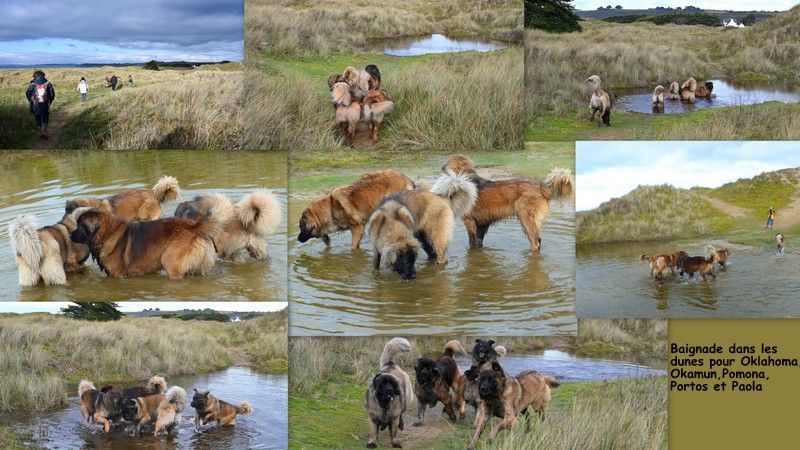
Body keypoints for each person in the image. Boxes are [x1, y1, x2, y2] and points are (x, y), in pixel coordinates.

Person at [25, 70, 56, 139]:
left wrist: (32, 101)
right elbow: (52, 94)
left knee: (37, 118)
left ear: (35, 76)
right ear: (43, 75)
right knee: (45, 118)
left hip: (36, 105)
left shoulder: (32, 84)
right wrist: (49, 102)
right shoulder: (48, 83)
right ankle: (43, 131)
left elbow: (28, 94)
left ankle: (39, 132)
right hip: (45, 104)